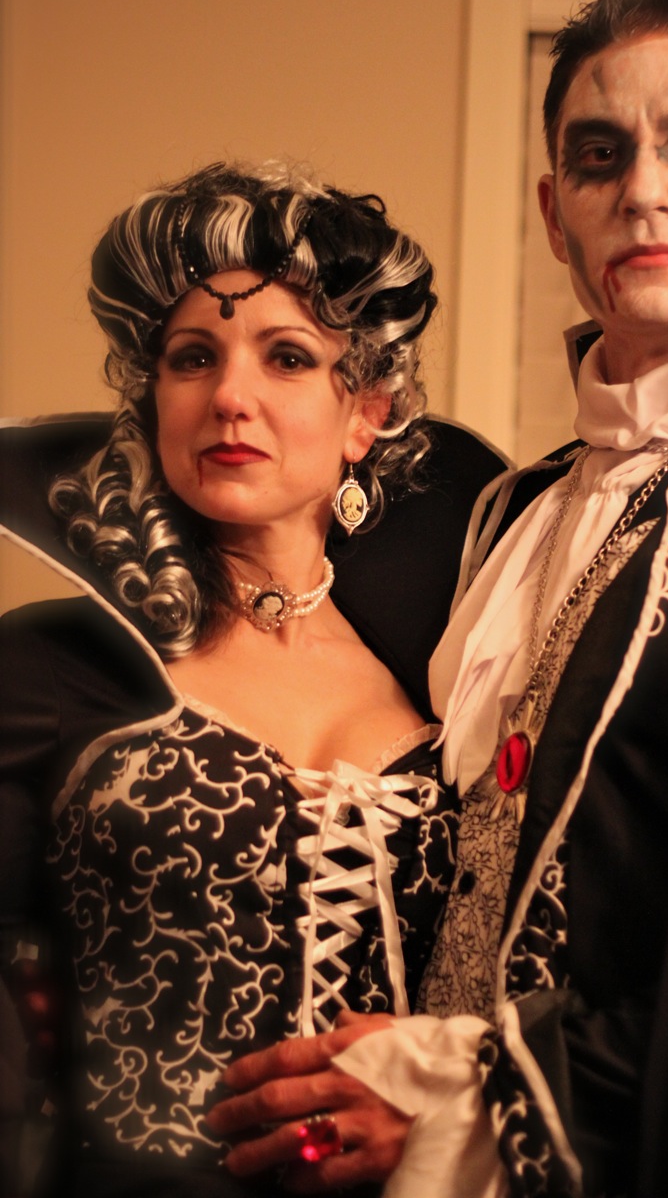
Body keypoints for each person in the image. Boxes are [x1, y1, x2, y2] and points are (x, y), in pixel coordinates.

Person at [204, 0, 668, 1198]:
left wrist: (479, 1096)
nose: (644, 189)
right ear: (555, 214)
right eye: (600, 155)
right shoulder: (507, 508)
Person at [0, 162, 506, 1197]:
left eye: (287, 357)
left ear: (366, 412)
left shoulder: (453, 678)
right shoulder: (47, 666)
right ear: (154, 400)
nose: (230, 397)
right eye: (193, 358)